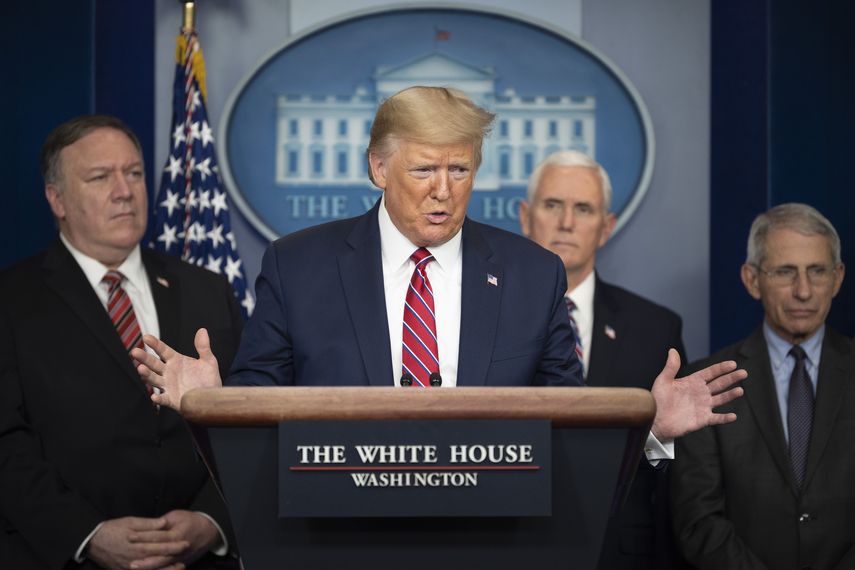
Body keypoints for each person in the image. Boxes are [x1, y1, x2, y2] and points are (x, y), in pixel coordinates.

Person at [134, 87, 745, 447]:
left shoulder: (533, 274)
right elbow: (258, 406)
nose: (443, 192)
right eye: (423, 170)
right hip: (337, 540)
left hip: (493, 540)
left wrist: (647, 431)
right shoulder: (299, 265)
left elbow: (569, 428)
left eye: (460, 171)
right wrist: (215, 405)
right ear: (377, 168)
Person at [0, 115, 242, 569]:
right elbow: (6, 444)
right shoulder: (11, 301)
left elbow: (251, 420)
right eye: (99, 177)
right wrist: (86, 535)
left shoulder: (208, 291)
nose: (124, 190)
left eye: (133, 173)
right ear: (57, 199)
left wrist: (211, 520)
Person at [519, 150, 690, 569]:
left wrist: (655, 436)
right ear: (526, 217)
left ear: (606, 227)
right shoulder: (479, 320)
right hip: (511, 542)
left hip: (617, 553)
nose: (566, 223)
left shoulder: (656, 329)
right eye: (553, 205)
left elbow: (678, 476)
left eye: (583, 209)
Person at [671, 203, 854, 569]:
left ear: (837, 278)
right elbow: (699, 521)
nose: (804, 291)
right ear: (752, 280)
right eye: (786, 272)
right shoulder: (708, 383)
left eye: (817, 271)